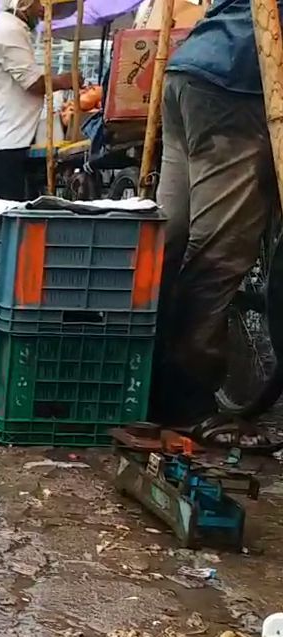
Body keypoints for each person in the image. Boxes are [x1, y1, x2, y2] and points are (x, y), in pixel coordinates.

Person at [151, 0, 281, 448]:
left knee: (168, 244)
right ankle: (187, 405)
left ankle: (147, 384)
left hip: (189, 70)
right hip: (237, 83)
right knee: (218, 251)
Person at [0, 0, 76, 200]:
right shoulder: (9, 31)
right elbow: (33, 83)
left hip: (6, 141)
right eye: (40, 4)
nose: (44, 9)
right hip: (1, 143)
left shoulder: (15, 29)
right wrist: (65, 80)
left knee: (3, 216)